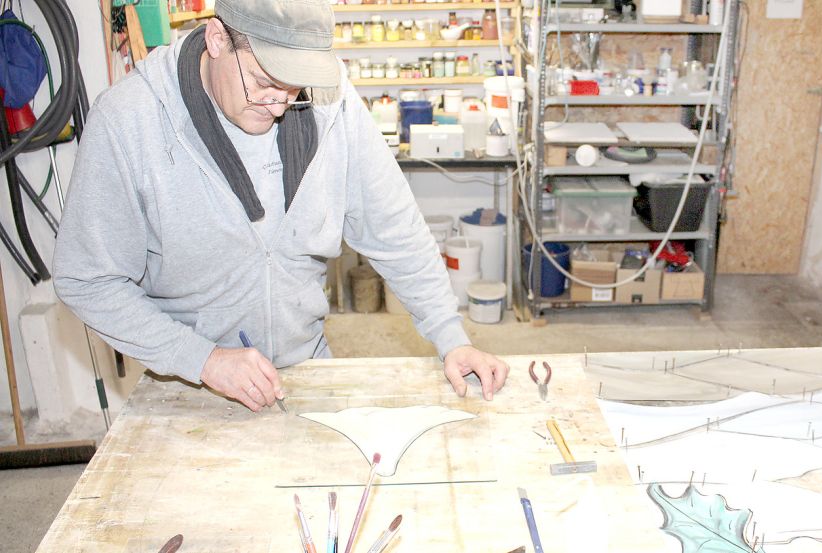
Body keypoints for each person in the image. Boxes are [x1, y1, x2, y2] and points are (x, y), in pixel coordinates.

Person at [52, 0, 509, 411]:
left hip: (305, 369)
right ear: (217, 40)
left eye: (295, 89)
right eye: (264, 83)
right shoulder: (130, 121)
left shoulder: (329, 102)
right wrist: (205, 361)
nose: (278, 107)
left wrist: (451, 337)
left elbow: (395, 228)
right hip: (188, 384)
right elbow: (87, 279)